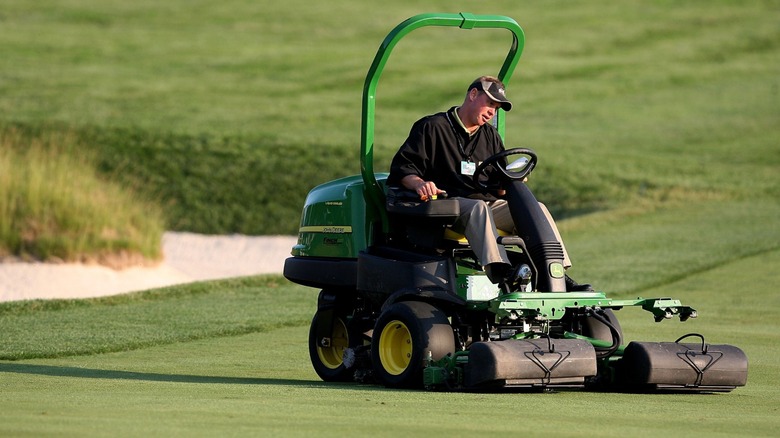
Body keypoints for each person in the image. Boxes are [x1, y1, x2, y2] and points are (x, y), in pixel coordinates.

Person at [387, 75, 589, 290]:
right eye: (490, 103)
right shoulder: (433, 127)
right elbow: (404, 168)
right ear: (473, 95)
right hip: (448, 206)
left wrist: (511, 183)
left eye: (497, 107)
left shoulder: (490, 136)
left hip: (486, 205)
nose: (493, 111)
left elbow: (498, 183)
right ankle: (501, 271)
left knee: (535, 208)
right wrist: (420, 184)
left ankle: (555, 273)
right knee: (478, 208)